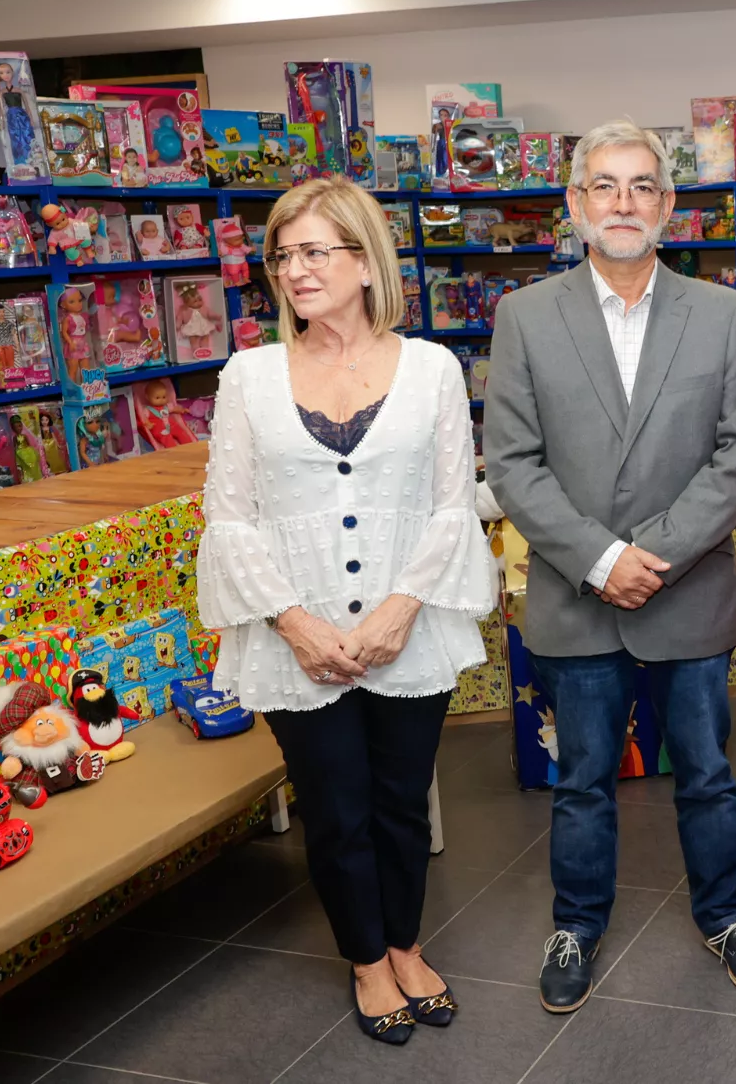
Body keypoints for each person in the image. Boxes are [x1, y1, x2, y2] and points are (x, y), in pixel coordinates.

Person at [484, 119, 736, 1015]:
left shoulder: (724, 315)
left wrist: (652, 557)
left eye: (642, 185)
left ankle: (727, 918)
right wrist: (602, 560)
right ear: (575, 203)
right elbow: (513, 463)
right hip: (578, 598)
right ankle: (575, 926)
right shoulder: (525, 317)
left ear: (668, 204)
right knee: (581, 782)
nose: (623, 203)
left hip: (686, 594)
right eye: (605, 186)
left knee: (708, 775)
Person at [196, 176, 496, 1046]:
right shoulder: (248, 377)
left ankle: (406, 944)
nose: (294, 270)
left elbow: (451, 506)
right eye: (282, 256)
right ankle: (367, 961)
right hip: (297, 639)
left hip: (409, 629)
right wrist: (294, 624)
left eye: (314, 252)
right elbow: (229, 518)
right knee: (335, 811)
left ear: (366, 263)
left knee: (402, 803)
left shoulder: (432, 369)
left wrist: (400, 610)